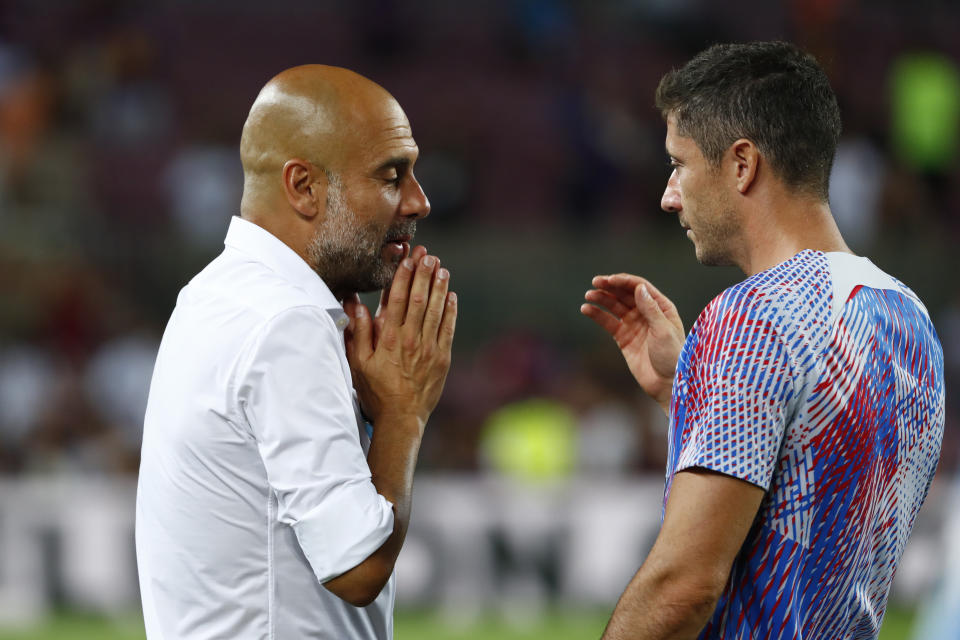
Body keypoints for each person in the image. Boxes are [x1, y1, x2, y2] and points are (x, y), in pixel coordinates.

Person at [582, 41, 945, 639]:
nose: (669, 195)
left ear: (742, 163)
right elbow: (818, 467)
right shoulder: (910, 319)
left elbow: (686, 585)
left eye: (680, 163)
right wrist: (689, 391)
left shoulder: (754, 318)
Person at [135, 65, 457, 639]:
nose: (418, 202)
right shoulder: (288, 322)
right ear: (303, 187)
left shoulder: (215, 293)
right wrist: (403, 411)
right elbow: (357, 567)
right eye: (392, 175)